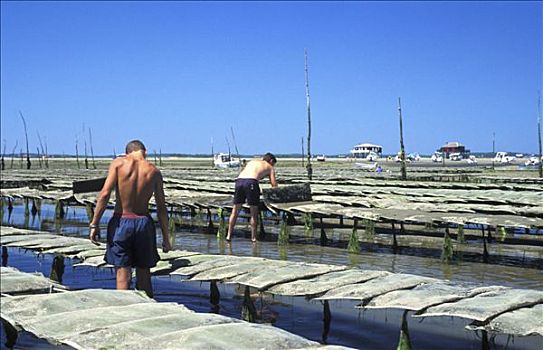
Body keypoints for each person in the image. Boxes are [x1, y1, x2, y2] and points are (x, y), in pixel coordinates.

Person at [89, 140, 171, 298]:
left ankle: (123, 312)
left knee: (122, 275)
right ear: (144, 151)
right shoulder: (154, 171)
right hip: (144, 223)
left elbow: (105, 194)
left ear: (127, 152)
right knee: (144, 275)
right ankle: (147, 309)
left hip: (122, 221)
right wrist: (166, 238)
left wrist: (94, 224)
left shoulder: (118, 164)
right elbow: (161, 207)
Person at [226, 153, 278, 243]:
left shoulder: (252, 161)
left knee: (235, 210)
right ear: (271, 161)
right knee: (254, 211)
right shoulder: (270, 167)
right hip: (251, 182)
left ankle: (229, 235)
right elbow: (274, 184)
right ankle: (253, 238)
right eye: (273, 164)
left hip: (239, 181)